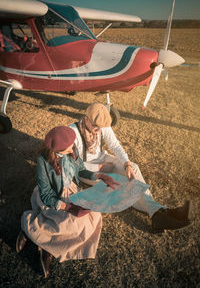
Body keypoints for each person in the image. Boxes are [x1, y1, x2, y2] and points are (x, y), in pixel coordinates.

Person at [69, 102, 191, 233]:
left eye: (101, 127)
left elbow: (115, 146)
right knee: (123, 184)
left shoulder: (101, 125)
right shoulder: (72, 132)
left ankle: (158, 213)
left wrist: (126, 164)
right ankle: (162, 212)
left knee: (134, 168)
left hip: (103, 158)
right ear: (86, 119)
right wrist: (99, 167)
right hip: (87, 170)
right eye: (95, 126)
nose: (99, 130)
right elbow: (72, 163)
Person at [16, 126, 119, 278]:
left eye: (73, 145)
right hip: (54, 196)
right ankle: (33, 232)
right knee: (68, 222)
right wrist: (68, 207)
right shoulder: (43, 160)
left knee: (93, 216)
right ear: (58, 150)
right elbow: (46, 194)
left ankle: (45, 243)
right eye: (69, 148)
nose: (73, 149)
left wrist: (100, 176)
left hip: (71, 190)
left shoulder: (72, 148)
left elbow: (82, 170)